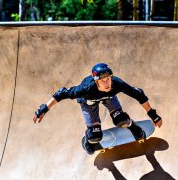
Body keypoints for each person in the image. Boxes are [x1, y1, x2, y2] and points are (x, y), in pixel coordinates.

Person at [33, 63, 163, 154]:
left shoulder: (116, 84)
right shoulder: (85, 89)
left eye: (108, 79)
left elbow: (138, 94)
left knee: (121, 119)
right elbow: (61, 93)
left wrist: (152, 114)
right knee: (95, 136)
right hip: (88, 101)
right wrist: (44, 108)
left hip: (109, 97)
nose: (107, 83)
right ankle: (88, 137)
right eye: (103, 81)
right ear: (96, 82)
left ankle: (133, 127)